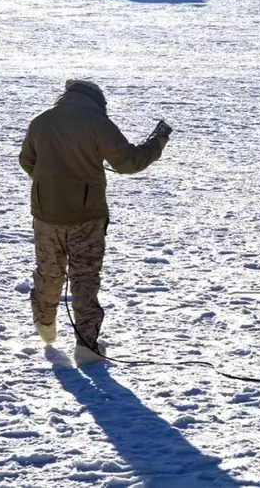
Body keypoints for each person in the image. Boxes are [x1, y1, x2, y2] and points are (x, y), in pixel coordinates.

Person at [18, 79, 167, 363]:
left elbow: (27, 162)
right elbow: (128, 163)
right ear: (96, 100)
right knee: (84, 279)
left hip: (46, 215)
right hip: (87, 218)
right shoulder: (98, 123)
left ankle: (45, 329)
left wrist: (51, 182)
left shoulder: (41, 121)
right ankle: (87, 347)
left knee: (49, 273)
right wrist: (156, 144)